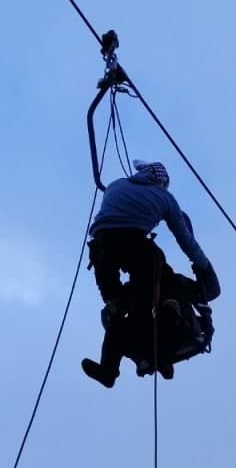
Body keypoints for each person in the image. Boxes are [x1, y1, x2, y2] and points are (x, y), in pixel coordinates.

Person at [81, 159, 220, 387]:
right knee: (153, 273)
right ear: (162, 182)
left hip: (101, 248)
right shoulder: (165, 199)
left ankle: (108, 370)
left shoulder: (116, 185)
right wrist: (203, 266)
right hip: (132, 245)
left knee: (116, 308)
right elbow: (186, 241)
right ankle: (158, 353)